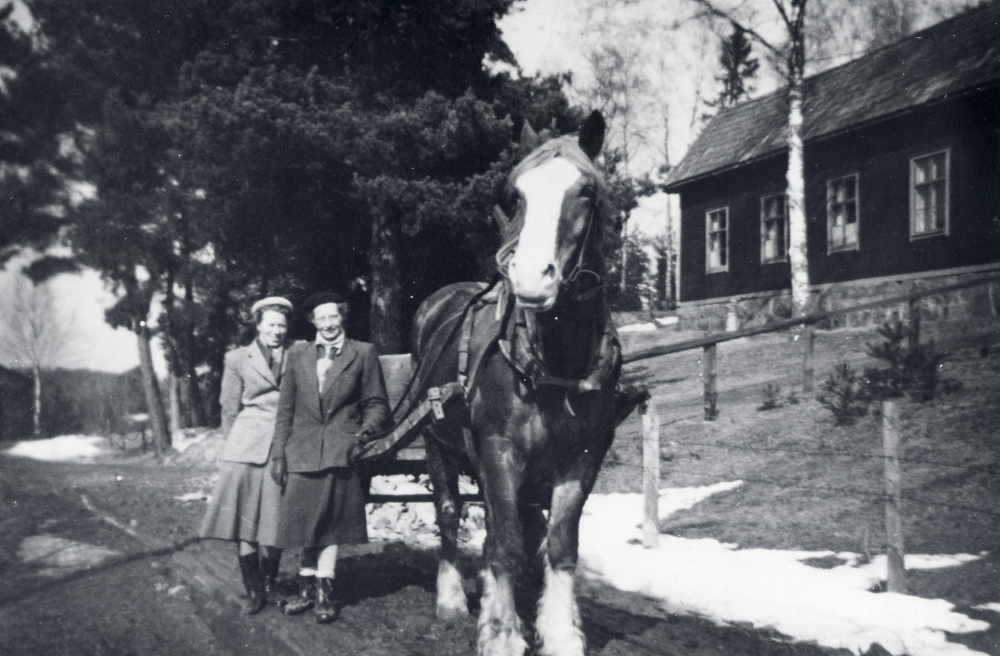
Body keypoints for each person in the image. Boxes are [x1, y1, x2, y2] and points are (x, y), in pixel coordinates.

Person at [270, 291, 389, 623]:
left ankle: (324, 594)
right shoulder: (298, 354)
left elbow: (377, 402)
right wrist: (279, 453)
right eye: (321, 318)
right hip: (302, 449)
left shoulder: (362, 353)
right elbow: (285, 409)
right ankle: (305, 590)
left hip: (341, 449)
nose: (328, 324)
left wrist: (362, 433)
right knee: (304, 522)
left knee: (331, 524)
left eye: (333, 317)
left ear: (342, 317)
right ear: (313, 322)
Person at [199, 296, 293, 615]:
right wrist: (228, 449)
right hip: (247, 443)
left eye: (282, 325)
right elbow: (228, 407)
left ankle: (271, 583)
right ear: (258, 325)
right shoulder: (237, 358)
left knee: (276, 519)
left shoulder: (298, 354)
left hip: (284, 443)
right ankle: (254, 589)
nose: (277, 331)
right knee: (246, 521)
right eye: (271, 325)